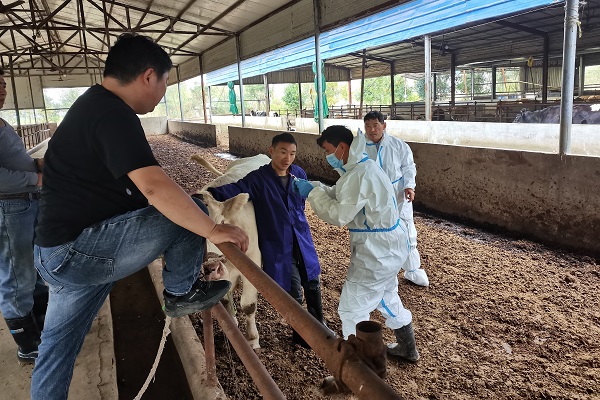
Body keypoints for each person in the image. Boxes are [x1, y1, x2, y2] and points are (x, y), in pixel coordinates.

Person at [31, 34, 248, 399]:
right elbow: (154, 187)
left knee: (56, 353)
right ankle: (181, 293)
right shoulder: (113, 113)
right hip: (79, 250)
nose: (163, 91)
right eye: (165, 81)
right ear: (149, 76)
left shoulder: (92, 106)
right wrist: (212, 228)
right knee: (190, 211)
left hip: (56, 251)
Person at [292, 125, 419, 362]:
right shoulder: (362, 167)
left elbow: (340, 214)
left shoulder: (359, 174)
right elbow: (344, 194)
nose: (327, 157)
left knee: (352, 309)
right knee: (387, 296)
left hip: (376, 252)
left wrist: (312, 194)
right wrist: (317, 187)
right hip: (390, 246)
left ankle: (360, 369)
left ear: (341, 147)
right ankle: (408, 348)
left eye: (328, 150)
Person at [207, 132, 325, 347]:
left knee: (313, 282)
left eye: (292, 154)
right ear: (271, 151)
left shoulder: (299, 173)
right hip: (278, 242)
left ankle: (320, 328)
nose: (287, 158)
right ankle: (301, 333)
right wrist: (206, 194)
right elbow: (235, 189)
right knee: (293, 290)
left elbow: (303, 202)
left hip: (301, 238)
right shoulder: (258, 178)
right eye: (283, 152)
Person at [0, 67, 49, 364]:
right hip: (8, 209)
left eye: (3, 84)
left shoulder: (1, 122)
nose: (2, 90)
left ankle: (41, 326)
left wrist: (35, 164)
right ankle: (28, 345)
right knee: (16, 276)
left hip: (23, 204)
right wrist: (36, 179)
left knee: (33, 269)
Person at [362, 110, 429, 287]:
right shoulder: (360, 146)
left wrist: (409, 186)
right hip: (374, 196)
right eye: (368, 126)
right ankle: (382, 272)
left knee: (406, 229)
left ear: (384, 125)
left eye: (375, 125)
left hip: (397, 194)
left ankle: (412, 269)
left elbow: (408, 167)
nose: (372, 130)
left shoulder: (398, 145)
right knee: (378, 232)